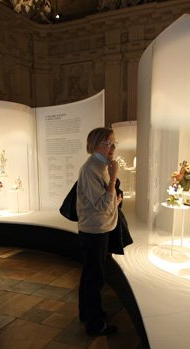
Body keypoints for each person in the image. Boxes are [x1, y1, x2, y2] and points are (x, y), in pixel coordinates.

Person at [76, 127, 120, 336]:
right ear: (94, 145)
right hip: (95, 231)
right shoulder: (91, 168)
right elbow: (102, 205)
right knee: (95, 278)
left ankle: (87, 314)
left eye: (113, 142)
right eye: (106, 143)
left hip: (98, 228)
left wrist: (115, 199)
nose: (112, 147)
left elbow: (105, 203)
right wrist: (113, 179)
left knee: (90, 274)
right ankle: (95, 324)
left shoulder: (101, 165)